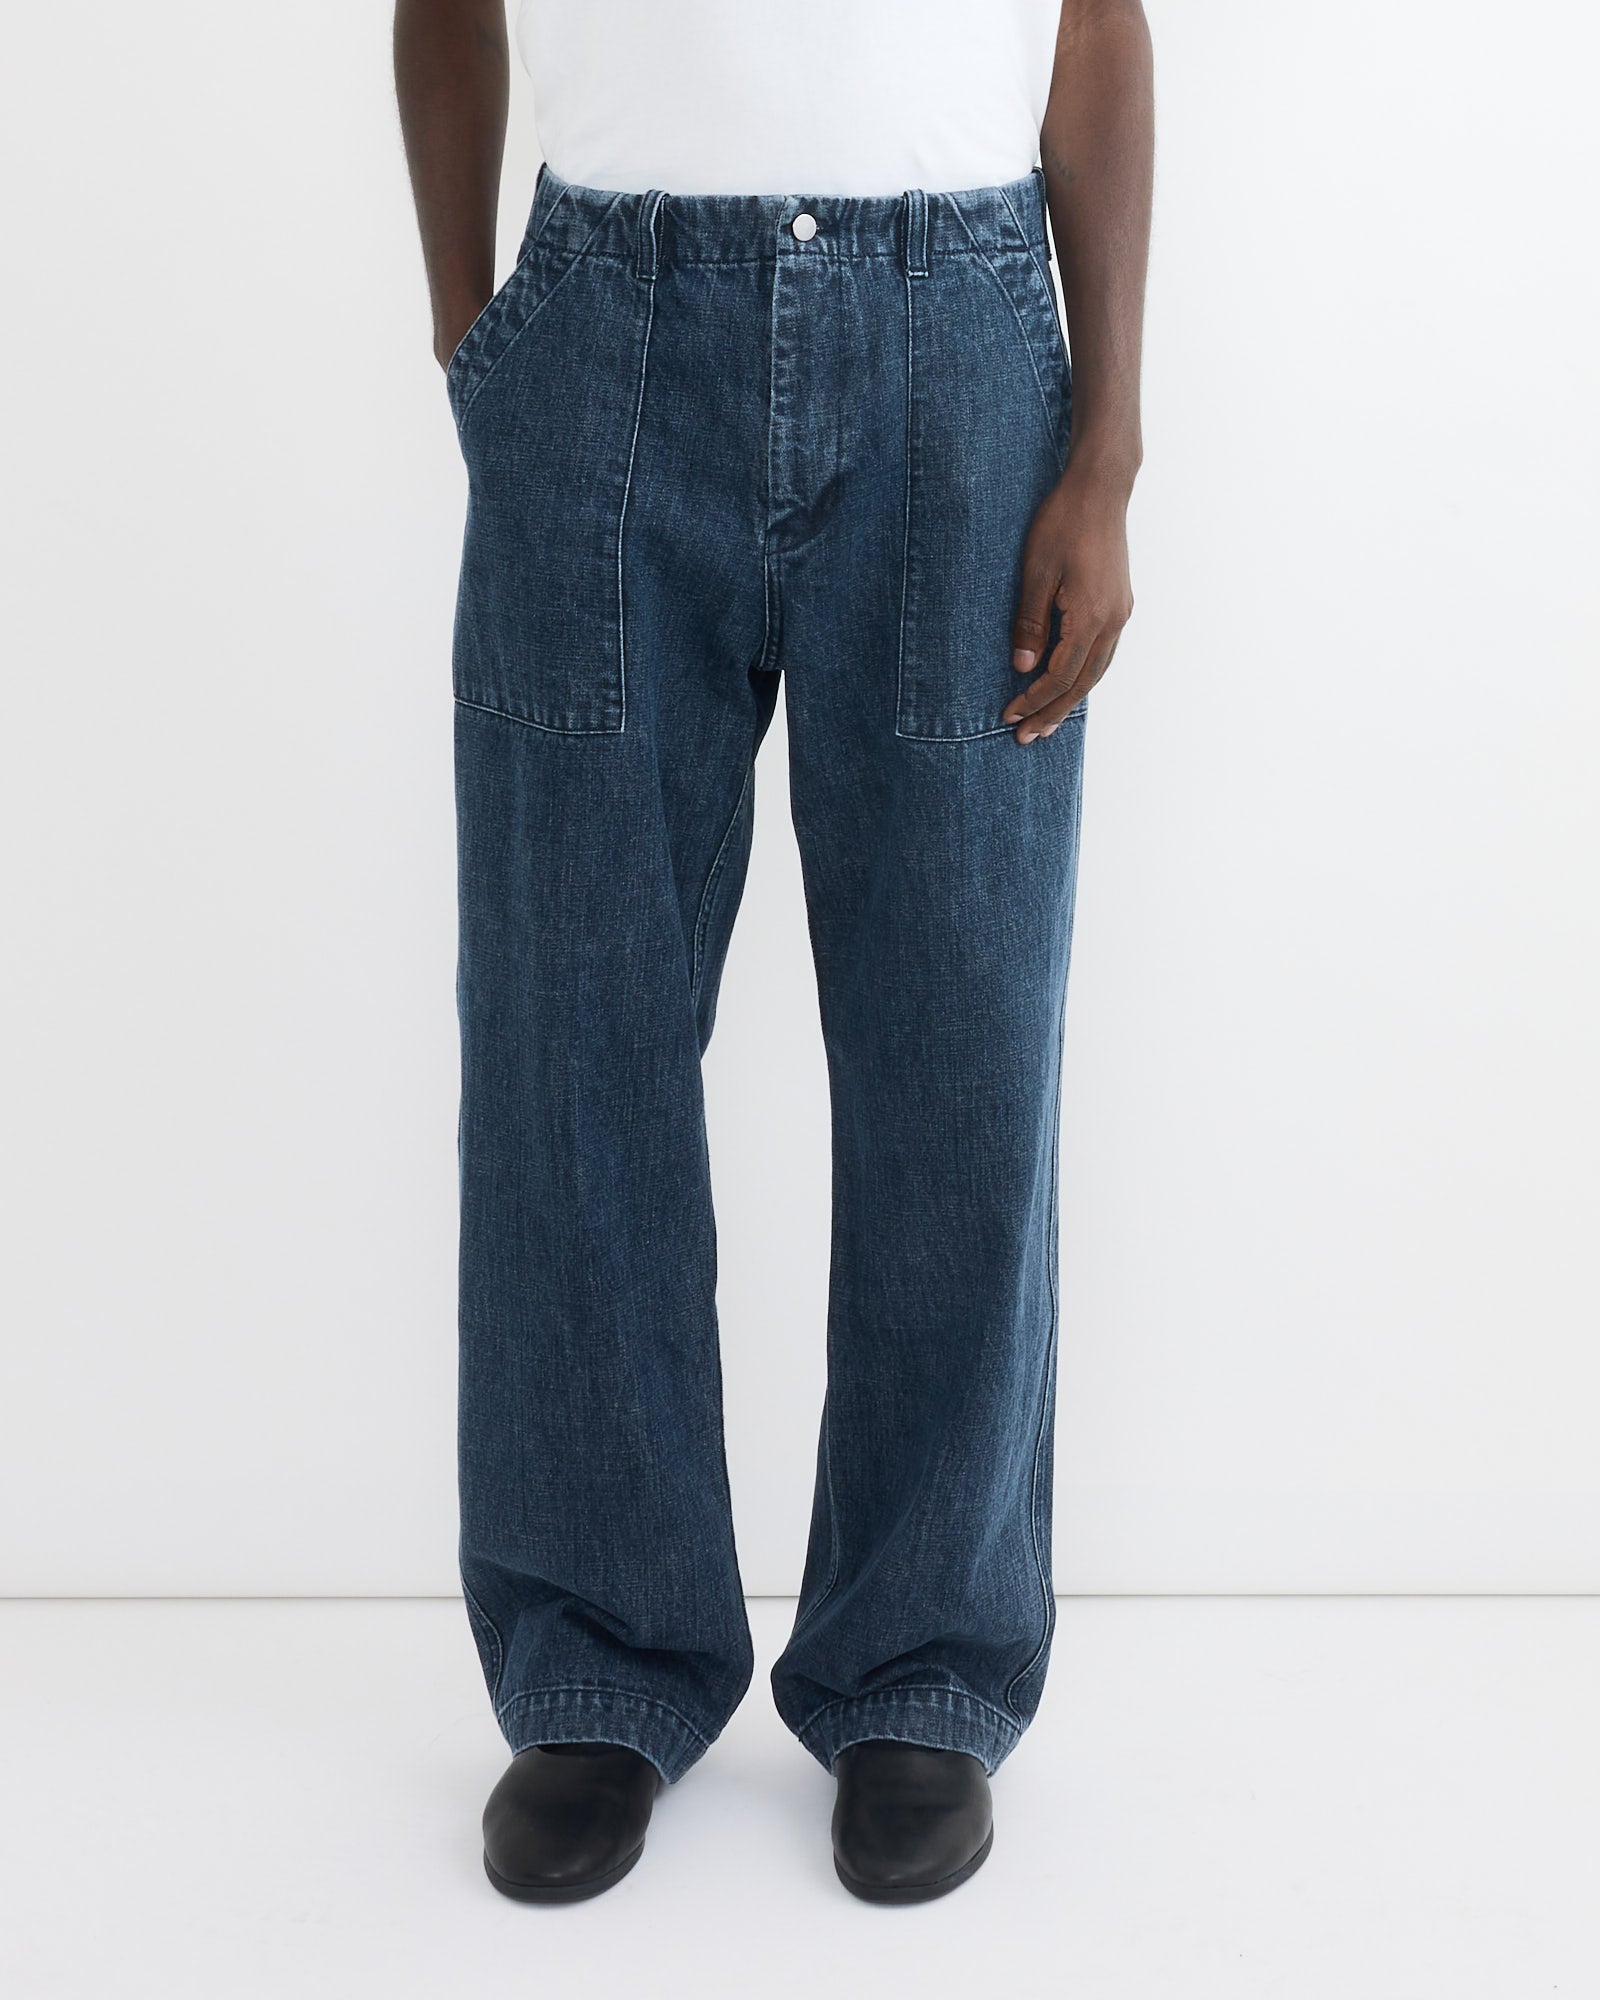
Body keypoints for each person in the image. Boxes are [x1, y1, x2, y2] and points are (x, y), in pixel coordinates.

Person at [395, 0, 1152, 1904]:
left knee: (960, 1035)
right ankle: (598, 1661)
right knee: (577, 1031)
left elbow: (1099, 33)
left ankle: (923, 1669)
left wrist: (1110, 448)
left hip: (961, 345)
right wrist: (470, 327)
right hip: (604, 328)